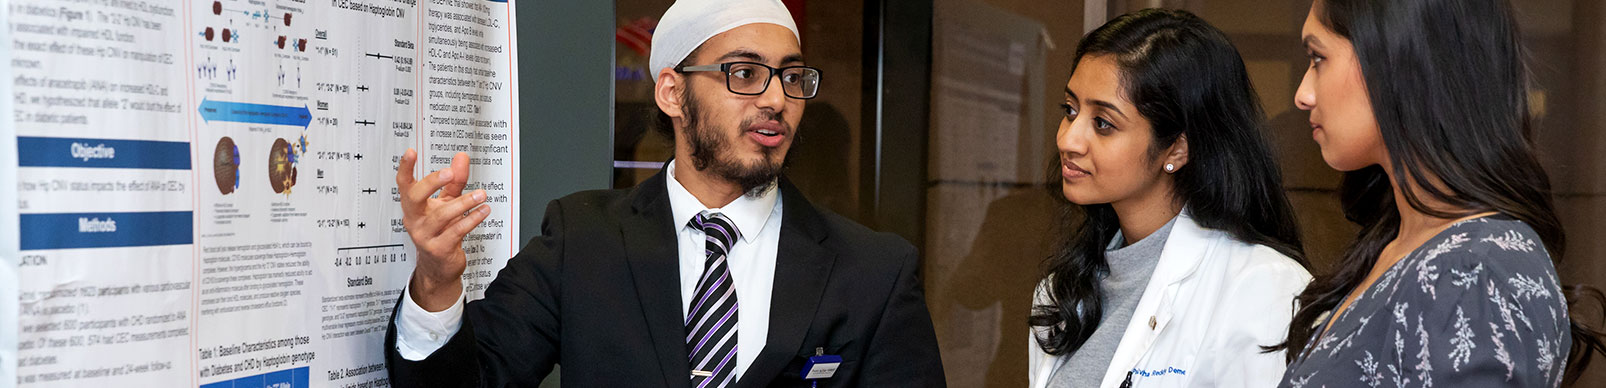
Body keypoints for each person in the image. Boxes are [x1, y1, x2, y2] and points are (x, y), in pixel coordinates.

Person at [382, 0, 944, 386]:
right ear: (673, 93)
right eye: (744, 74)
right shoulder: (582, 241)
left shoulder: (874, 272)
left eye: (792, 77)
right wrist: (436, 282)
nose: (776, 98)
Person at [1277, 0, 1605, 386]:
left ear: (1398, 61)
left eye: (1318, 58)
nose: (1302, 94)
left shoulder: (1473, 272)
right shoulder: (1404, 246)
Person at [1027, 9, 1312, 388]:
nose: (1068, 140)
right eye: (1071, 110)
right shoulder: (1062, 292)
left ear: (1177, 149)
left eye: (1103, 124)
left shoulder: (1265, 289)